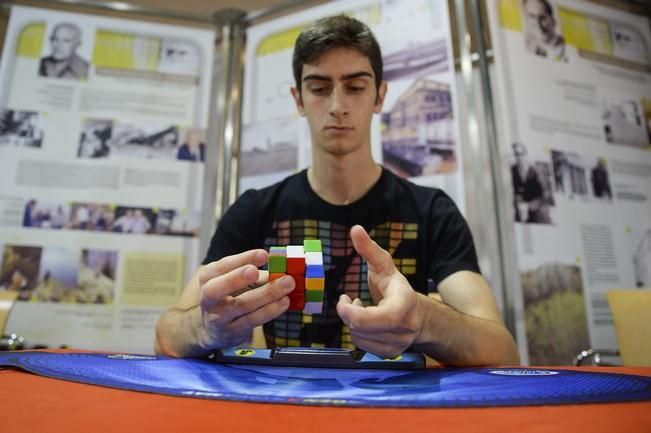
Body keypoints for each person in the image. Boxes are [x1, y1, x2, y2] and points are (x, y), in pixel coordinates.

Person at [155, 15, 519, 366]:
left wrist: (425, 320)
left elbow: (503, 351)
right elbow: (165, 337)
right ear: (298, 99)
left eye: (356, 87)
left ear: (379, 96)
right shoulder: (255, 211)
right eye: (319, 88)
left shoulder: (431, 212)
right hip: (281, 413)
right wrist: (206, 328)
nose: (337, 107)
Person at [511, 142, 548, 223]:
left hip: (536, 214)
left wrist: (528, 206)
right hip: (519, 214)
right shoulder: (512, 170)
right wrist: (517, 201)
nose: (519, 157)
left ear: (526, 154)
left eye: (521, 154)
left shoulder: (536, 171)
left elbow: (544, 196)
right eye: (516, 154)